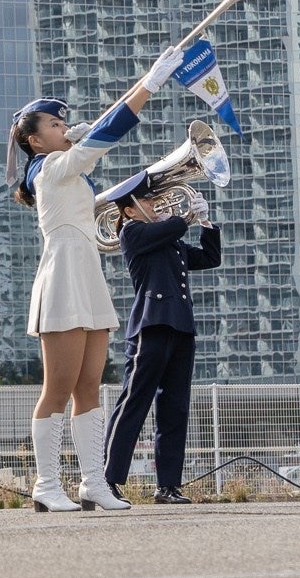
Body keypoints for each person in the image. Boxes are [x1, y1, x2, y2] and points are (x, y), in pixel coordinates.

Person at [6, 42, 185, 513]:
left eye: (65, 123)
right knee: (58, 388)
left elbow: (94, 145)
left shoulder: (69, 169)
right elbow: (105, 135)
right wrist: (150, 83)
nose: (63, 128)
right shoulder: (49, 168)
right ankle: (46, 483)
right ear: (34, 142)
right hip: (63, 272)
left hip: (85, 270)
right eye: (53, 125)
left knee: (89, 386)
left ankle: (92, 482)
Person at [93, 175, 222, 504]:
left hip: (180, 327)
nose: (156, 204)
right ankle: (108, 478)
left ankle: (168, 485)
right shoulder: (131, 232)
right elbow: (172, 228)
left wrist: (206, 222)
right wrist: (182, 218)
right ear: (131, 210)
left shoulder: (167, 238)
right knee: (134, 403)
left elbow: (209, 259)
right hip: (151, 326)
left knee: (175, 409)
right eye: (148, 202)